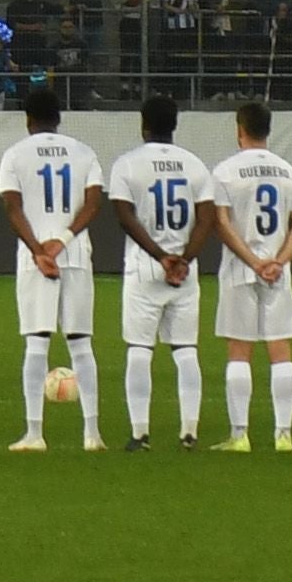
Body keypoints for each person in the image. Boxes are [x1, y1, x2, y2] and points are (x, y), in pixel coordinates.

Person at [0, 85, 105, 451]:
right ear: (59, 119)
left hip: (34, 258)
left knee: (37, 344)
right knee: (81, 345)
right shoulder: (84, 152)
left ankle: (35, 433)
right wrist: (65, 239)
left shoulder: (14, 155)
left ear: (28, 119)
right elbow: (93, 203)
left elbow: (13, 209)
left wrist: (40, 250)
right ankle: (92, 435)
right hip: (74, 255)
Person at [100, 98, 213, 451]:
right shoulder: (194, 165)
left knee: (139, 349)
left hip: (146, 267)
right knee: (185, 350)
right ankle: (189, 432)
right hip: (185, 269)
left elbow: (125, 216)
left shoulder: (128, 164)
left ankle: (140, 433)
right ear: (174, 125)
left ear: (143, 124)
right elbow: (207, 217)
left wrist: (160, 256)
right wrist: (184, 259)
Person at [208, 104, 292, 453]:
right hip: (277, 273)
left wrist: (253, 261)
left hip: (241, 269)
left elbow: (221, 222)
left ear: (240, 129)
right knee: (280, 351)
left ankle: (240, 435)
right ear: (268, 130)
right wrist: (278, 261)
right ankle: (283, 435)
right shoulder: (288, 172)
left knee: (240, 351)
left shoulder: (224, 172)